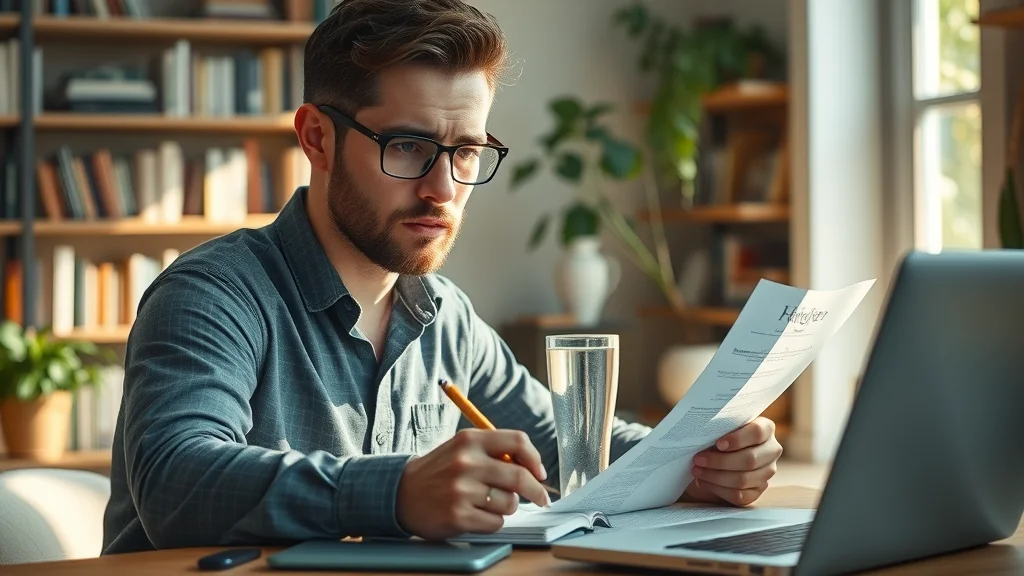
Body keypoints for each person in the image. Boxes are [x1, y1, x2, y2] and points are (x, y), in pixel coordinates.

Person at [101, 0, 784, 554]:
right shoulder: (212, 294)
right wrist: (398, 491)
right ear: (316, 138)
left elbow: (566, 445)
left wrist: (704, 457)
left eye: (465, 152)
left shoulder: (442, 315)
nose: (443, 189)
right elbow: (176, 482)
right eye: (408, 146)